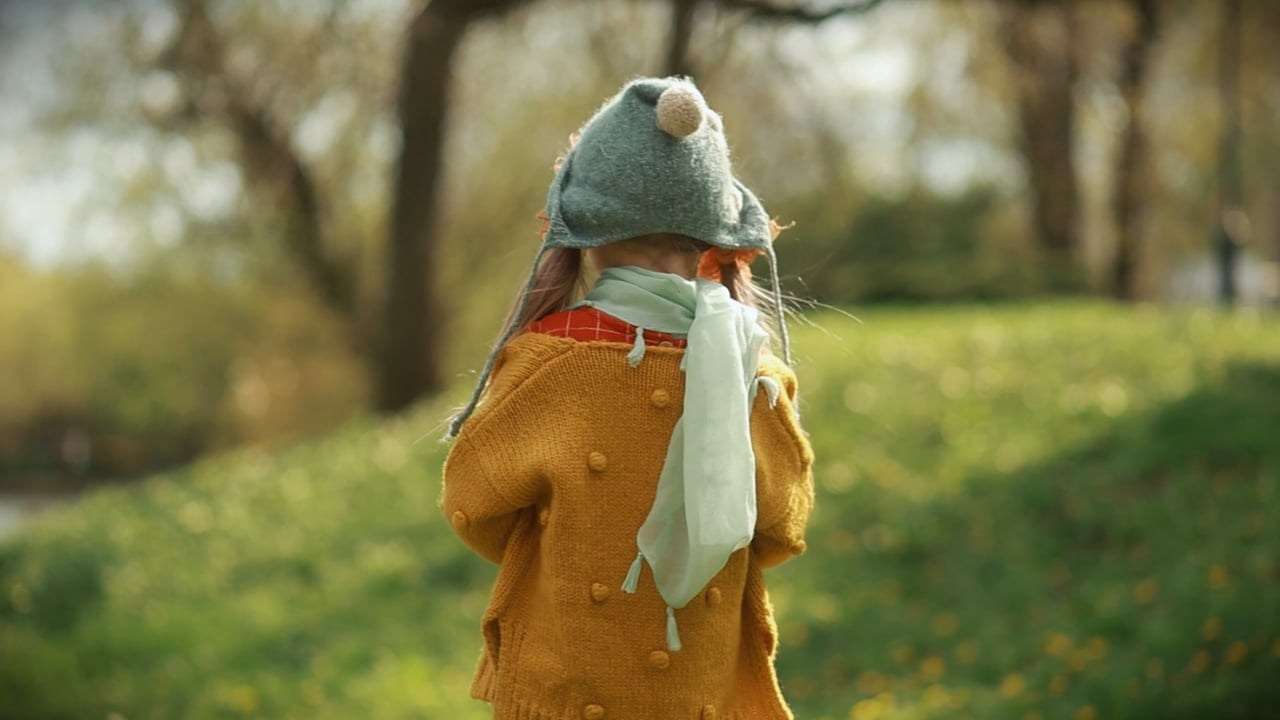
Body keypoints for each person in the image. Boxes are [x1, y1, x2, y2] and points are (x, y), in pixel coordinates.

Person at [441, 76, 815, 720]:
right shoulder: (755, 371)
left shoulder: (547, 363)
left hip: (564, 692)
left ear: (587, 234)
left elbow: (473, 506)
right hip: (701, 696)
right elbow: (781, 531)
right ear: (712, 243)